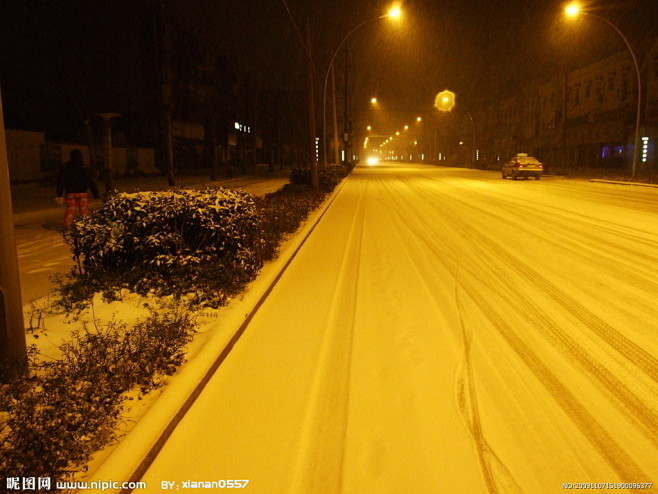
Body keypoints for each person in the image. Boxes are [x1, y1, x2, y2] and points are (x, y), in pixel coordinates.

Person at [55, 149, 100, 227]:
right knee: (84, 211)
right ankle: (86, 225)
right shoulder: (83, 167)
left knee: (70, 210)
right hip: (82, 192)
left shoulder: (65, 167)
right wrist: (95, 192)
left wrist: (59, 193)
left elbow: (61, 181)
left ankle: (67, 225)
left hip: (70, 193)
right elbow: (89, 180)